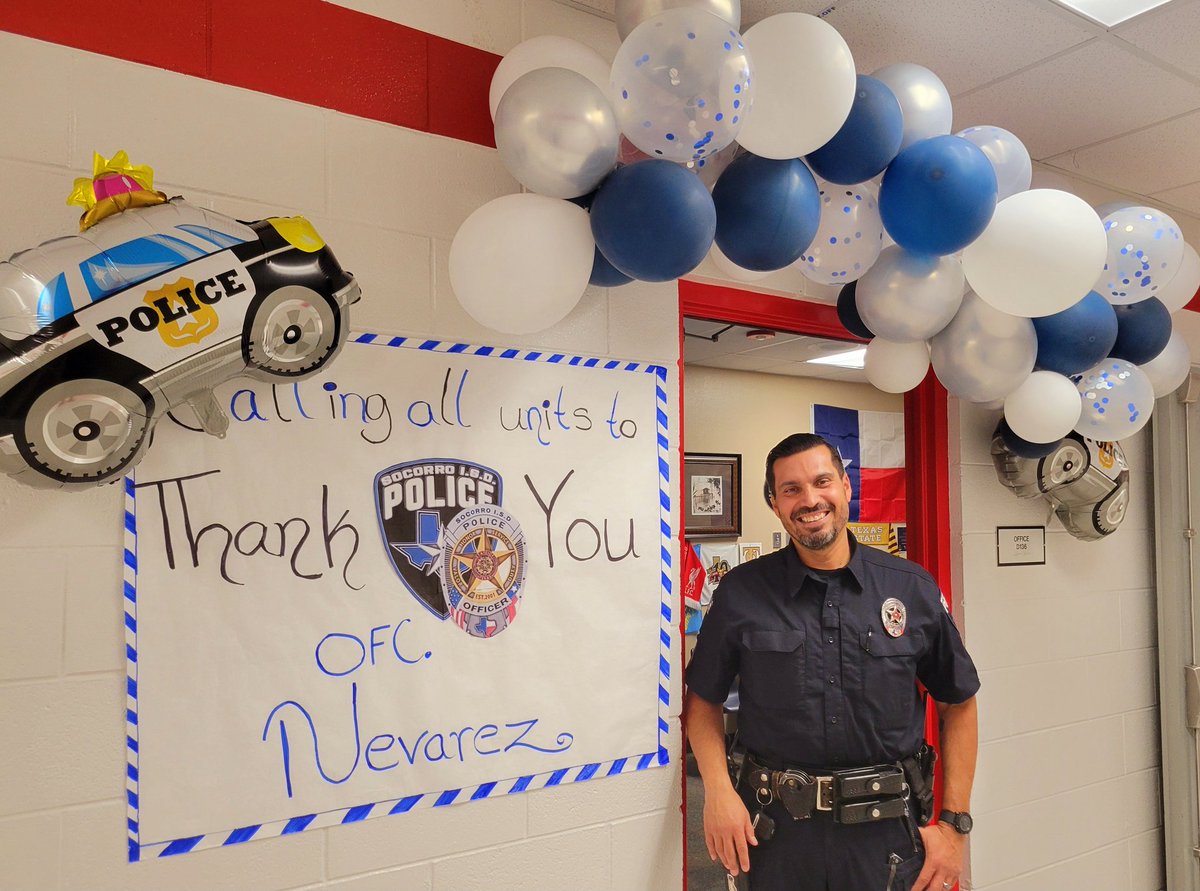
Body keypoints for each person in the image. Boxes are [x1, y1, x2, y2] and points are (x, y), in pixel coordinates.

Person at [685, 433, 980, 891]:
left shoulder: (911, 589)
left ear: (845, 487)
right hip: (775, 834)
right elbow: (702, 702)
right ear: (775, 503)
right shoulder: (741, 593)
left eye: (822, 481)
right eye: (791, 489)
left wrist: (954, 827)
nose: (810, 500)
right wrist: (717, 793)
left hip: (888, 838)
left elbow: (958, 703)